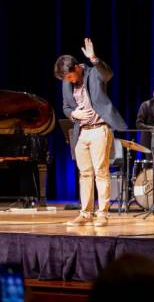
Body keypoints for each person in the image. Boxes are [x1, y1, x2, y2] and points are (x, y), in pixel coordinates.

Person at [54, 38, 127, 227]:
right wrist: (73, 114)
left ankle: (102, 214)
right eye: (65, 79)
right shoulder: (66, 83)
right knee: (84, 174)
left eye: (70, 77)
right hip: (81, 132)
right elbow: (66, 107)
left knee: (101, 172)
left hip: (99, 129)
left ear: (77, 68)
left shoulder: (94, 74)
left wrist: (94, 58)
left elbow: (108, 73)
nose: (68, 81)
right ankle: (85, 213)